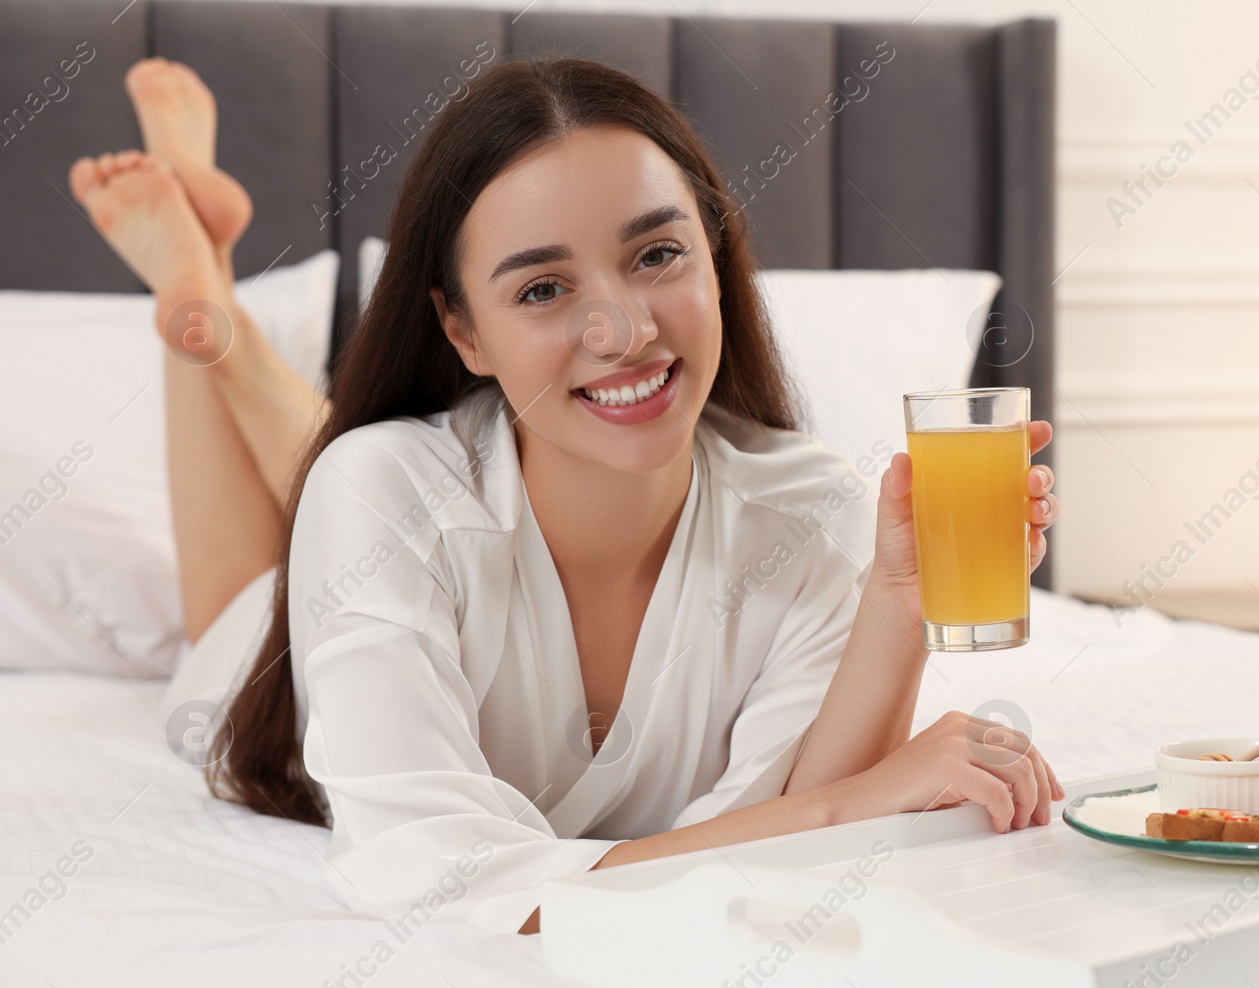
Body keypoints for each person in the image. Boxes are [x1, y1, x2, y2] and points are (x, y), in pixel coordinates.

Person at [70, 56, 1065, 937]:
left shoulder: (809, 511)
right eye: (542, 289)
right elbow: (446, 883)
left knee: (361, 474)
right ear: (461, 332)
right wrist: (858, 806)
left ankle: (204, 286)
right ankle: (202, 302)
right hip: (268, 649)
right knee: (262, 573)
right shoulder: (379, 492)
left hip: (408, 502)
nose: (624, 328)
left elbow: (785, 813)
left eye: (658, 253)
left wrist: (897, 604)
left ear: (715, 257)